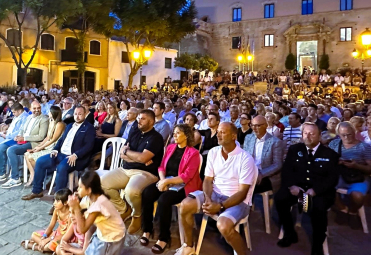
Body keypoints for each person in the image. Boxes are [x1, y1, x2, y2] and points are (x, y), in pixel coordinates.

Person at [177, 122, 257, 255]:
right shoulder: (214, 152)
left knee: (223, 225)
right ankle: (188, 246)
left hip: (237, 200)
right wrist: (208, 199)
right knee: (185, 205)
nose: (218, 135)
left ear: (233, 136)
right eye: (218, 132)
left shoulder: (245, 158)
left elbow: (243, 193)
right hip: (214, 194)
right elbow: (208, 180)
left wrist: (219, 206)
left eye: (222, 132)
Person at [275, 122, 339, 255]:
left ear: (320, 136)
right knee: (280, 198)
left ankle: (317, 244)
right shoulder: (294, 150)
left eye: (312, 134)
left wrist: (316, 190)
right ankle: (290, 233)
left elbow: (332, 179)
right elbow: (287, 171)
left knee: (318, 208)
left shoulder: (330, 154)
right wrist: (292, 186)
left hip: (319, 192)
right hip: (297, 189)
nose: (308, 137)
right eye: (305, 133)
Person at [100, 109, 164, 234]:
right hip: (126, 169)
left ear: (151, 122)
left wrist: (131, 154)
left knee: (131, 191)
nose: (139, 121)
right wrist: (135, 156)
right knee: (102, 184)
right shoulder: (134, 131)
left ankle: (137, 215)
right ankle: (124, 209)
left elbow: (143, 158)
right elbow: (121, 154)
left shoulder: (156, 138)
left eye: (143, 118)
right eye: (138, 118)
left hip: (145, 173)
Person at [140, 124, 201, 253]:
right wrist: (163, 181)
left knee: (164, 200)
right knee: (147, 193)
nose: (174, 135)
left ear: (186, 135)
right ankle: (147, 229)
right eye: (174, 132)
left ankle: (164, 238)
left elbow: (187, 176)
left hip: (184, 186)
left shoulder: (193, 153)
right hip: (167, 181)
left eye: (178, 133)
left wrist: (168, 181)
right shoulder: (170, 147)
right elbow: (161, 167)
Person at [21, 106, 95, 200]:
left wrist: (76, 155)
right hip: (60, 154)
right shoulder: (69, 126)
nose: (77, 116)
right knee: (40, 161)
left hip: (74, 157)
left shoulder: (89, 128)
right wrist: (55, 149)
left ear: (85, 114)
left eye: (80, 114)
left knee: (61, 168)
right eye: (76, 114)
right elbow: (61, 140)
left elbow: (88, 146)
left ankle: (59, 199)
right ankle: (37, 191)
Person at [0, 101, 48, 188]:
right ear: (30, 108)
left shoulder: (44, 119)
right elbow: (22, 129)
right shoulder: (29, 117)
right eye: (34, 108)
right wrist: (19, 136)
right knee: (0, 147)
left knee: (11, 150)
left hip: (33, 143)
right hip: (22, 139)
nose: (37, 110)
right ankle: (0, 173)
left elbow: (41, 137)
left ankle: (15, 178)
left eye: (38, 108)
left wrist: (24, 138)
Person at [329, 122, 371, 229]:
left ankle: (353, 212)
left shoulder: (364, 147)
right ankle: (343, 209)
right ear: (338, 134)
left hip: (358, 177)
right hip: (339, 176)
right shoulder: (334, 144)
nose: (346, 137)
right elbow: (326, 161)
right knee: (325, 189)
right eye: (343, 135)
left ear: (354, 132)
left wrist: (356, 166)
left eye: (349, 134)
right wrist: (335, 162)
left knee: (358, 196)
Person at [68, 171, 126, 255]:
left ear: (88, 190)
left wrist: (76, 208)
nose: (77, 189)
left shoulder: (98, 205)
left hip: (112, 238)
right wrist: (75, 206)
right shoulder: (90, 198)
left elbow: (82, 230)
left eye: (80, 187)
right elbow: (77, 214)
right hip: (103, 232)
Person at [24, 106, 66, 186]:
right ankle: (33, 175)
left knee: (31, 157)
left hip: (54, 148)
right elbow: (47, 137)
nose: (48, 113)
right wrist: (39, 146)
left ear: (54, 113)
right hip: (48, 145)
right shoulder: (51, 122)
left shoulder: (60, 124)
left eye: (50, 112)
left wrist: (40, 148)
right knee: (26, 154)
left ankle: (39, 175)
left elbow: (53, 139)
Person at [243, 116, 284, 193]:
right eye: (252, 125)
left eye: (258, 126)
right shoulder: (248, 138)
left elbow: (278, 164)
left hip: (266, 175)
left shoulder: (275, 142)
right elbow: (244, 157)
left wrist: (261, 174)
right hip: (250, 173)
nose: (254, 128)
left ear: (265, 126)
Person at [0, 102, 29, 171]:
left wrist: (7, 135)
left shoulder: (25, 118)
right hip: (7, 135)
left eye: (14, 112)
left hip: (13, 139)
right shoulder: (17, 116)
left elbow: (20, 132)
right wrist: (6, 131)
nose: (13, 114)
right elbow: (13, 128)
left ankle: (0, 167)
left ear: (19, 111)